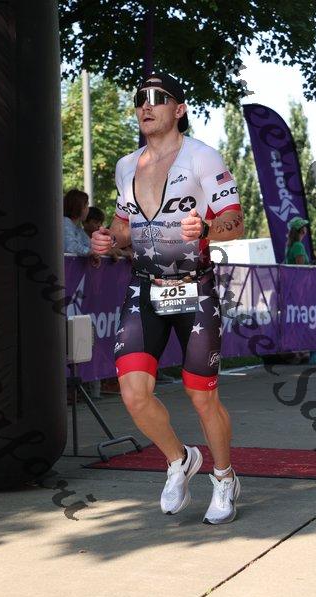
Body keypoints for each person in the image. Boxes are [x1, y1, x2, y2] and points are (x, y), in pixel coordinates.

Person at [92, 73, 244, 525]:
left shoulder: (202, 157)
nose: (146, 105)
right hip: (144, 287)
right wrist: (107, 240)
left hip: (195, 288)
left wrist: (206, 229)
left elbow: (235, 222)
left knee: (202, 396)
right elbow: (123, 227)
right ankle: (180, 459)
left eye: (158, 98)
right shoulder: (127, 165)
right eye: (140, 98)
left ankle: (224, 477)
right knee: (133, 393)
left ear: (178, 109)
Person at [63, 189, 92, 256]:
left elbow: (89, 244)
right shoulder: (65, 222)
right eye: (86, 205)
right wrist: (89, 252)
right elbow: (70, 247)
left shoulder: (77, 227)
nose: (88, 209)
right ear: (78, 207)